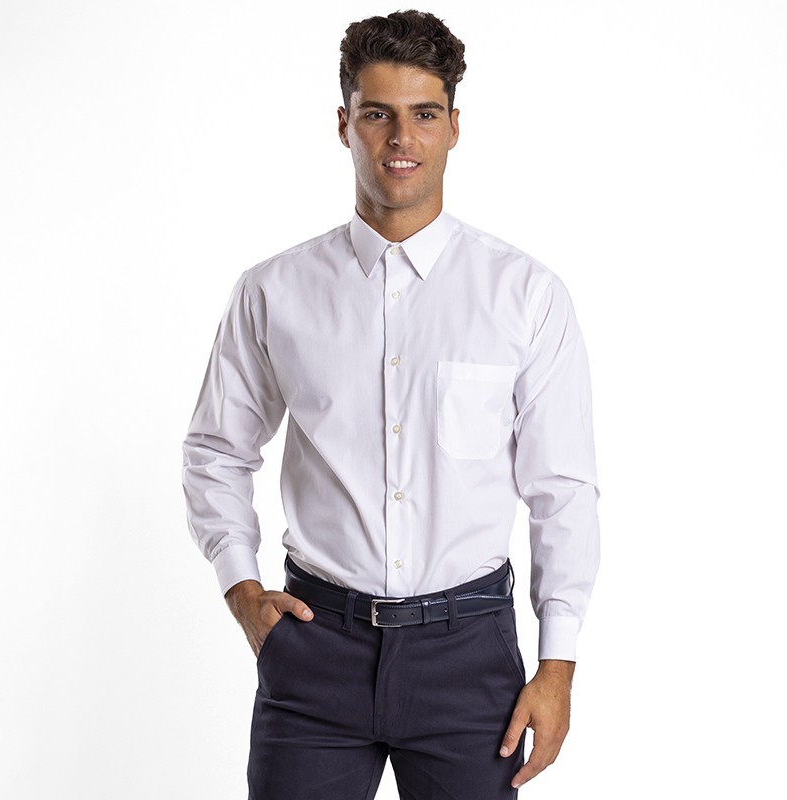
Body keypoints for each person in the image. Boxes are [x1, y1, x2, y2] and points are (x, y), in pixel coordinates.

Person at [182, 9, 599, 799]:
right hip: (315, 649)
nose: (401, 138)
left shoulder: (525, 296)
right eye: (377, 114)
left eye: (424, 115)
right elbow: (216, 450)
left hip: (469, 655)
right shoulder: (274, 292)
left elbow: (562, 489)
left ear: (453, 128)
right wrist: (242, 590)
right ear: (344, 125)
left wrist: (559, 663)